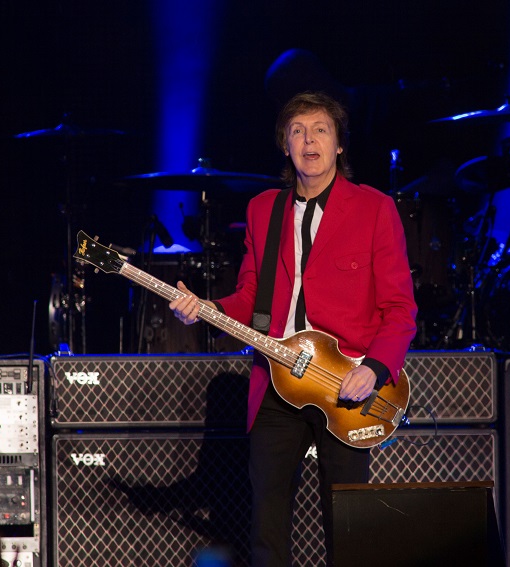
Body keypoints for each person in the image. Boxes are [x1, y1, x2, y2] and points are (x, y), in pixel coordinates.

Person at [169, 91, 417, 566]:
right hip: (276, 384)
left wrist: (377, 369)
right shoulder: (264, 209)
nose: (309, 141)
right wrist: (205, 307)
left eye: (321, 129)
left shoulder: (374, 208)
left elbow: (400, 307)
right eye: (298, 131)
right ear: (284, 144)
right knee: (265, 525)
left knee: (347, 522)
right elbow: (250, 300)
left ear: (340, 144)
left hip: (345, 385)